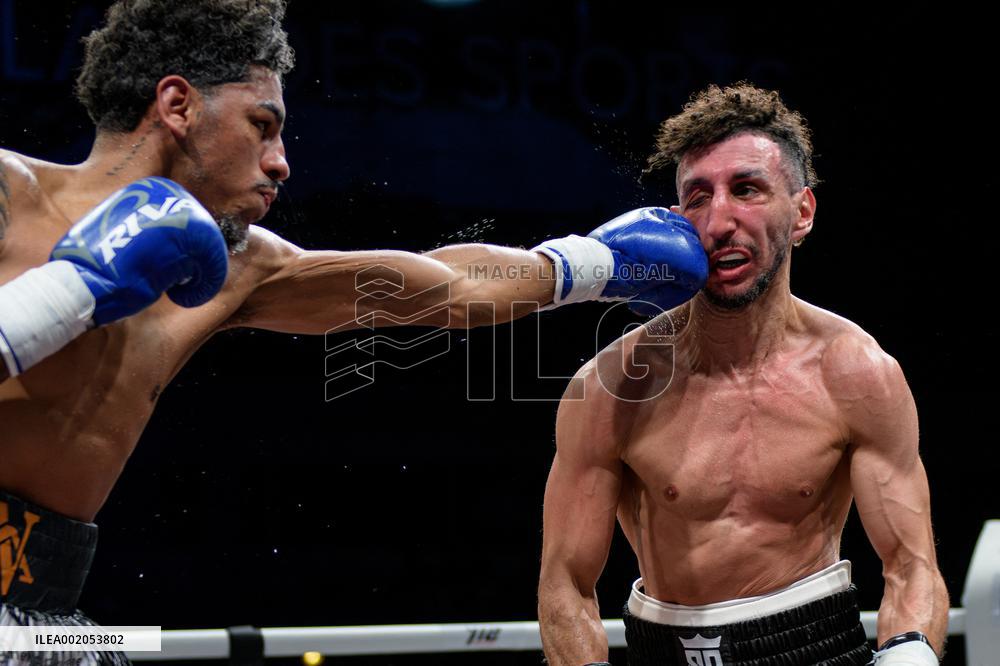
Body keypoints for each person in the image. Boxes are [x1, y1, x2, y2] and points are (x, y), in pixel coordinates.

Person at [0, 1, 710, 663]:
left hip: (47, 617)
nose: (282, 161)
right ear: (178, 105)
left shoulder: (239, 269)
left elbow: (451, 288)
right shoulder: (9, 193)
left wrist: (598, 263)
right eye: (262, 125)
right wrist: (75, 287)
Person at [537, 84, 949, 666]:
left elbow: (911, 567)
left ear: (802, 212)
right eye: (698, 197)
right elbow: (566, 583)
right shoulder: (613, 386)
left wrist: (909, 655)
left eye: (747, 190)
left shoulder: (857, 375)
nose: (719, 221)